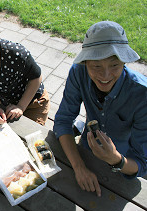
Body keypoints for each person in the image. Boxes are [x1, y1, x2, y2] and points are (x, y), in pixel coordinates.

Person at [53, 21, 147, 197]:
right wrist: (79, 167)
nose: (105, 76)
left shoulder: (142, 94)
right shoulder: (78, 72)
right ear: (85, 62)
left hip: (123, 167)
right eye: (96, 66)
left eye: (114, 65)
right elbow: (63, 121)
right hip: (85, 154)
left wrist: (115, 159)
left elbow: (142, 163)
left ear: (124, 62)